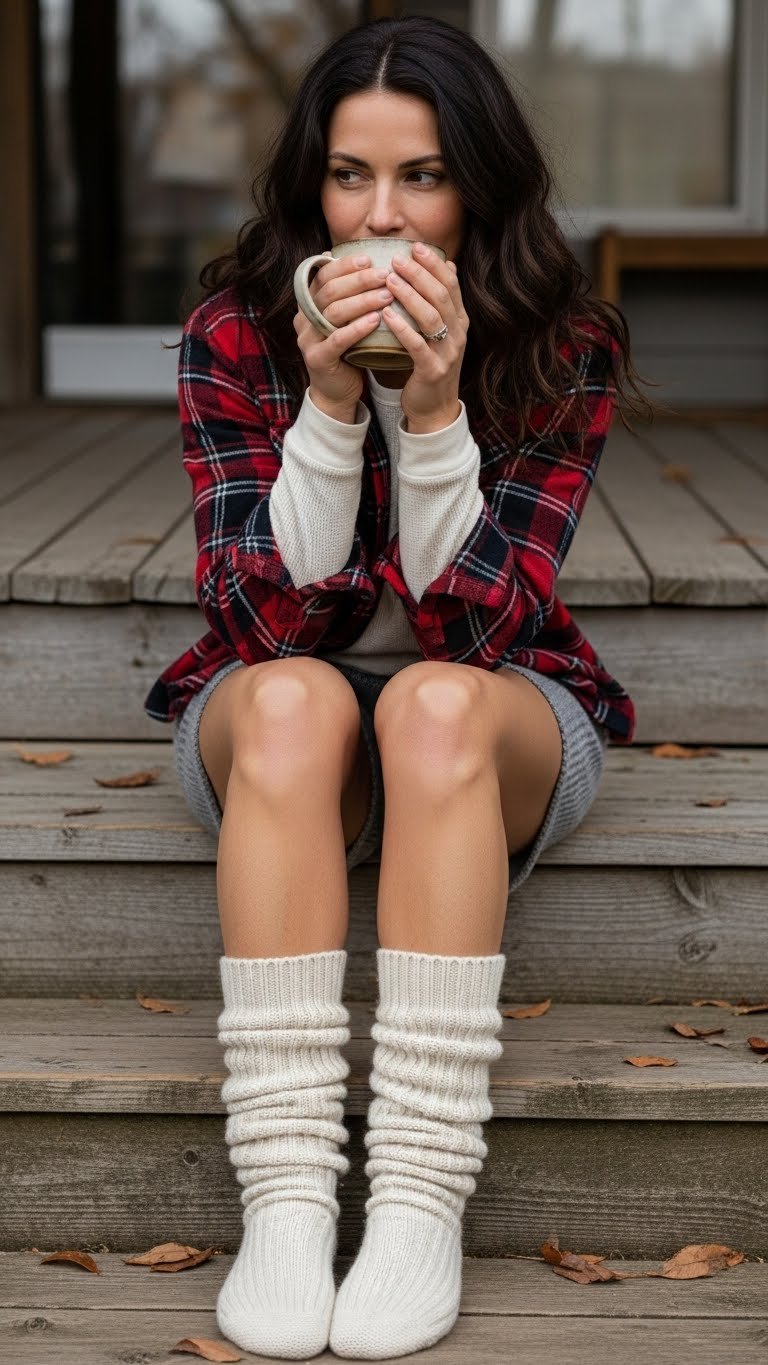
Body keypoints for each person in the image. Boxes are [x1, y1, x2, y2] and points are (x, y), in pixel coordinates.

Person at [144, 14, 655, 1360]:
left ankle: (420, 1197)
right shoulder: (232, 332)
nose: (383, 218)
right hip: (279, 740)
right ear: (311, 184)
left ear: (477, 182)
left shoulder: (560, 339)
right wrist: (324, 405)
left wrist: (433, 417)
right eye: (351, 176)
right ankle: (293, 1199)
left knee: (426, 703)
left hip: (489, 724)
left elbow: (475, 634)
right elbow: (260, 616)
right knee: (306, 695)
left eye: (421, 176)